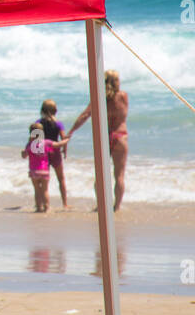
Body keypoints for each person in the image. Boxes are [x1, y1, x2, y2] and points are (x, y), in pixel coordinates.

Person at [69, 70, 130, 211]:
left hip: (105, 137)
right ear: (116, 82)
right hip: (120, 136)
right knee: (119, 176)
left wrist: (71, 132)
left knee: (100, 175)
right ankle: (117, 207)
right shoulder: (123, 96)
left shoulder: (99, 98)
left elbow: (85, 115)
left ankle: (101, 205)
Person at [21, 122, 70, 213]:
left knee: (37, 190)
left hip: (33, 171)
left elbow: (24, 155)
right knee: (45, 190)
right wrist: (66, 140)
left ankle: (39, 207)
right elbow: (59, 144)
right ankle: (47, 208)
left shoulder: (29, 145)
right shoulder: (46, 143)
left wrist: (22, 152)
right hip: (44, 171)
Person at [36, 99, 68, 208]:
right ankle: (65, 203)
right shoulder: (58, 124)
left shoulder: (38, 123)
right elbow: (63, 138)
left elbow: (34, 139)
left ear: (42, 110)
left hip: (43, 154)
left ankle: (42, 204)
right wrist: (65, 150)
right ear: (55, 111)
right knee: (61, 178)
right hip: (55, 152)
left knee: (43, 181)